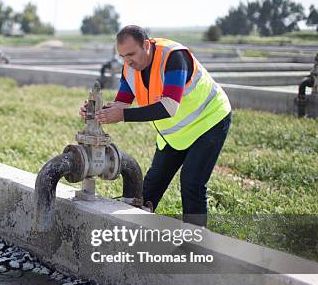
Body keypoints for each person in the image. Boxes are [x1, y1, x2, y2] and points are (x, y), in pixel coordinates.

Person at [80, 25, 232, 227]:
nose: (127, 61)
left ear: (146, 45)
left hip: (209, 121)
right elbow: (121, 104)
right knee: (152, 183)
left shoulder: (173, 58)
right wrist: (96, 110)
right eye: (123, 56)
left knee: (191, 183)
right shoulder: (130, 68)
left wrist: (122, 115)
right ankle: (136, 231)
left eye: (131, 54)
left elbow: (169, 107)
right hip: (175, 132)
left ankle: (196, 242)